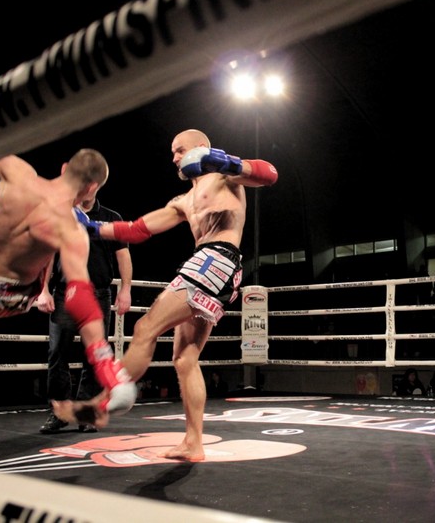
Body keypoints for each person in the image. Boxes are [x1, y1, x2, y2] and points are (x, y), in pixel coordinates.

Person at [53, 129, 278, 462]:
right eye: (172, 152)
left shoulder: (226, 176)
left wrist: (224, 161)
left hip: (216, 259)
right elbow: (136, 230)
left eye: (180, 150)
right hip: (216, 268)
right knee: (185, 359)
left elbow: (269, 174)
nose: (174, 157)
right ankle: (193, 443)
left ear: (200, 148)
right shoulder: (183, 201)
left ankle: (101, 403)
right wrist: (90, 226)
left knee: (146, 327)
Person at [0, 149, 135, 449]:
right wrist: (105, 362)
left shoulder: (18, 174)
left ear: (64, 168)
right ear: (92, 187)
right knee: (51, 259)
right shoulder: (71, 230)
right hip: (12, 297)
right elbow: (79, 296)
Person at [36, 192, 133, 434]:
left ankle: (85, 412)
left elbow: (123, 255)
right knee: (57, 352)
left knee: (95, 356)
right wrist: (43, 290)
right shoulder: (63, 215)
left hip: (99, 292)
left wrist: (126, 289)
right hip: (64, 292)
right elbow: (48, 255)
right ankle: (58, 412)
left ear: (97, 185)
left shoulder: (111, 217)